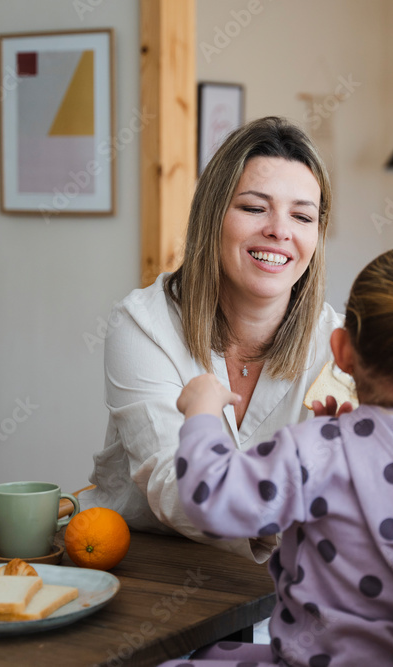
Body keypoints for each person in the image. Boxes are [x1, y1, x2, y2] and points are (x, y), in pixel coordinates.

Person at [162, 248, 393, 666]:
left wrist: (202, 413)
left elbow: (210, 499)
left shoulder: (318, 450)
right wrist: (342, 444)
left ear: (341, 350)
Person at [81, 117, 349, 563]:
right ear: (212, 215)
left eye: (302, 216)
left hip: (282, 588)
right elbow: (176, 490)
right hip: (145, 566)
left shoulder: (341, 348)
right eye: (254, 207)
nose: (280, 230)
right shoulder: (143, 324)